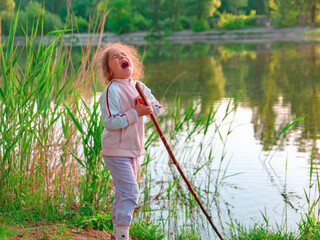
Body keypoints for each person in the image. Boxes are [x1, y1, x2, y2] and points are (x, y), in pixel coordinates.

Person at [96, 42, 161, 240]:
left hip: (133, 150)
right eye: (115, 57)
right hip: (116, 150)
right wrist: (135, 113)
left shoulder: (139, 87)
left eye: (124, 54)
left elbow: (156, 108)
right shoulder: (111, 91)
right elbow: (109, 122)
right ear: (109, 70)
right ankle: (123, 236)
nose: (122, 57)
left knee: (124, 193)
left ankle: (117, 234)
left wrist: (147, 106)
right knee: (131, 192)